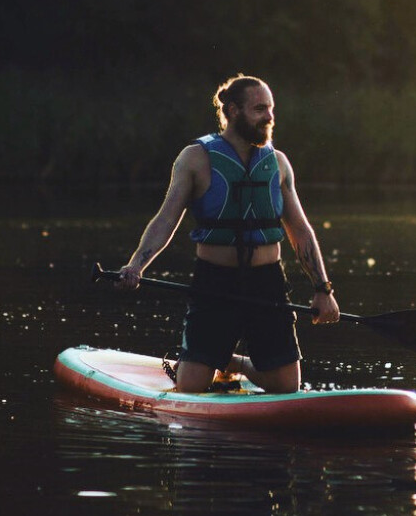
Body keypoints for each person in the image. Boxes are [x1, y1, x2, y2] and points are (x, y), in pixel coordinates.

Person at [114, 75, 339, 393]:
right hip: (214, 282)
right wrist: (137, 265)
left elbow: (301, 231)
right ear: (233, 111)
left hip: (267, 283)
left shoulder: (278, 163)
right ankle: (205, 360)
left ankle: (231, 361)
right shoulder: (194, 158)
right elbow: (166, 220)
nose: (270, 117)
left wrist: (323, 288)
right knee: (191, 387)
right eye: (260, 109)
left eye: (271, 109)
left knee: (288, 386)